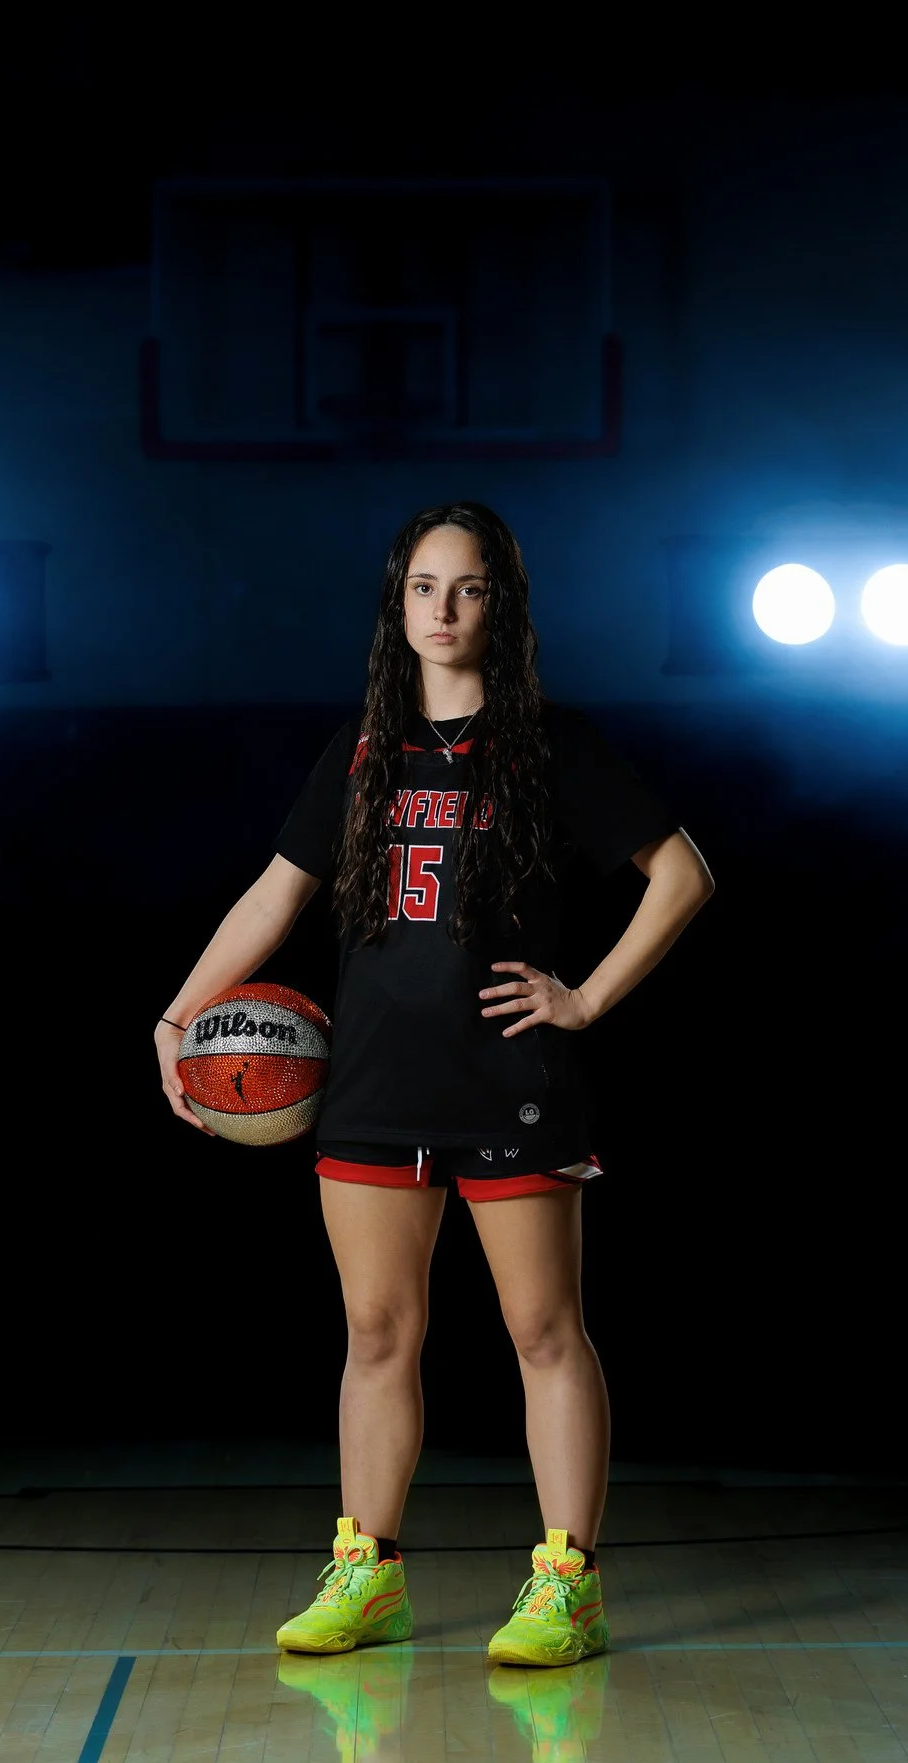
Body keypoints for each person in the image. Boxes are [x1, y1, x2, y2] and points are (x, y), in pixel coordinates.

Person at [154, 502, 714, 1664]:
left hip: (510, 1075)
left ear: (498, 607)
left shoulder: (549, 744)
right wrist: (178, 1011)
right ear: (396, 605)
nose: (443, 608)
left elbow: (682, 872)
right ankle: (368, 1570)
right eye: (422, 586)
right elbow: (276, 891)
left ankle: (568, 1579)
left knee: (542, 1328)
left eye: (467, 588)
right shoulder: (361, 745)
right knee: (374, 1330)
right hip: (370, 1081)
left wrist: (588, 996)